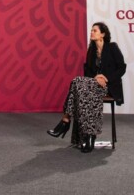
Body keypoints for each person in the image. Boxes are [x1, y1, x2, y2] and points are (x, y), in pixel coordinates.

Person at [47, 22, 126, 153]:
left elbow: (122, 67)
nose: (91, 32)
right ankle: (89, 137)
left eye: (95, 30)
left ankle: (65, 121)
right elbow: (88, 74)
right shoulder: (91, 51)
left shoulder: (112, 47)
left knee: (76, 83)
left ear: (103, 34)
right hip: (92, 86)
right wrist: (96, 78)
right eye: (91, 30)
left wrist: (106, 78)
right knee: (80, 86)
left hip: (109, 86)